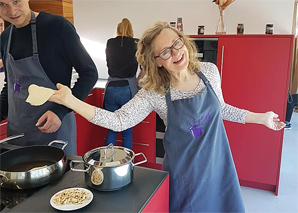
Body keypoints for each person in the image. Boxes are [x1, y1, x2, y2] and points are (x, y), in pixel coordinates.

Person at [48, 21, 285, 212]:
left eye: (177, 43)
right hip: (185, 178)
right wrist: (71, 101)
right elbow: (118, 120)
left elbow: (222, 109)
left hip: (218, 167)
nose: (176, 52)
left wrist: (261, 118)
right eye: (165, 51)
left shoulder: (209, 72)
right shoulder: (155, 92)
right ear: (157, 62)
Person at [0, 0, 98, 155]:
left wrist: (60, 110)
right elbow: (12, 84)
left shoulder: (57, 27)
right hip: (18, 135)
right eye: (2, 4)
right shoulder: (5, 37)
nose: (11, 11)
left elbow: (90, 73)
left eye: (16, 1)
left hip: (53, 132)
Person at [103, 18, 139, 149]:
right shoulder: (137, 43)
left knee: (112, 129)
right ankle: (126, 165)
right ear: (131, 30)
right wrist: (139, 79)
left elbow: (108, 62)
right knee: (127, 132)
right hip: (128, 89)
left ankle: (107, 164)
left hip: (111, 88)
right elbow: (145, 65)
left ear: (117, 30)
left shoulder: (110, 43)